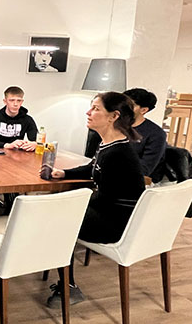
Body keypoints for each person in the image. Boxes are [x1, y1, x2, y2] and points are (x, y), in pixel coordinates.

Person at [44, 92, 145, 307]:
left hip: (117, 222)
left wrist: (71, 204)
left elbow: (105, 198)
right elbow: (92, 167)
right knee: (58, 212)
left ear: (113, 116)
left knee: (59, 221)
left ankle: (68, 288)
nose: (88, 113)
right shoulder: (110, 145)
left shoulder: (119, 153)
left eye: (96, 109)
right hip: (110, 212)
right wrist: (65, 174)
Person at [123, 88, 167, 179]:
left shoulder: (156, 134)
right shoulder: (116, 126)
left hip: (136, 180)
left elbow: (144, 169)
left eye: (129, 106)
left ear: (143, 110)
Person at [0, 86, 38, 150]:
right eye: (11, 100)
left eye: (19, 101)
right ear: (5, 101)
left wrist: (34, 144)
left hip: (16, 153)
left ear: (22, 102)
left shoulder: (27, 119)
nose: (15, 104)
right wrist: (8, 145)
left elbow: (35, 139)